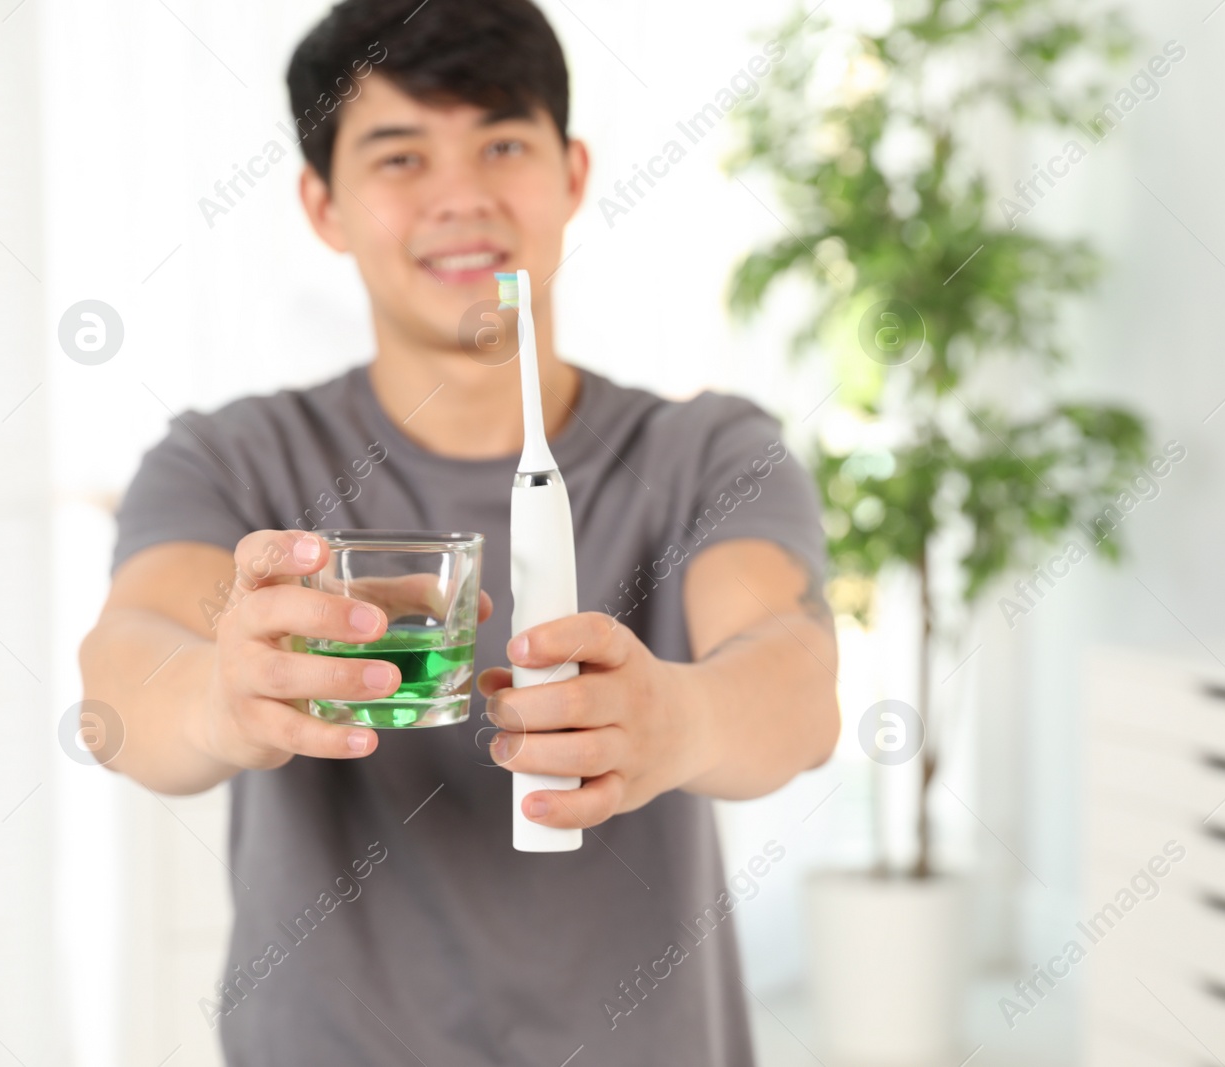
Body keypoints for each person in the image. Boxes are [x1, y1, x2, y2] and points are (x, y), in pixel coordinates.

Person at [78, 0, 840, 1063]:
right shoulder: (231, 460)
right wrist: (218, 692)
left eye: (502, 143)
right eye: (398, 156)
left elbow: (796, 684)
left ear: (573, 176)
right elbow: (121, 680)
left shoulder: (707, 452)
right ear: (323, 204)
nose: (461, 197)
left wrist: (683, 719)